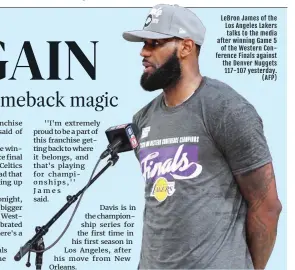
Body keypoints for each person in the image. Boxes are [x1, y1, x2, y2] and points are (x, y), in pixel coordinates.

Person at [122, 4, 282, 270]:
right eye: (143, 43)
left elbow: (267, 206)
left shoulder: (227, 110)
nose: (143, 52)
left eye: (155, 43)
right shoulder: (143, 119)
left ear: (186, 47)